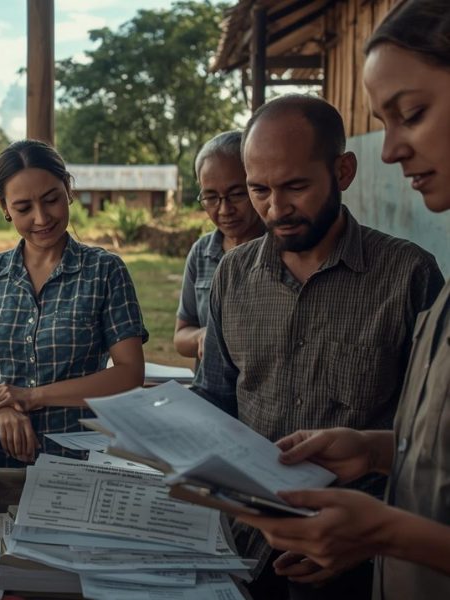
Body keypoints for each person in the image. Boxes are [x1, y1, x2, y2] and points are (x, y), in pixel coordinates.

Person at [235, 2, 450, 599]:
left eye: (413, 114)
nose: (392, 150)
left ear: (342, 172)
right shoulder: (233, 275)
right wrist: (378, 449)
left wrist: (381, 531)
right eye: (259, 189)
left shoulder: (410, 275)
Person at [0, 139, 148, 467]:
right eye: (23, 208)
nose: (42, 218)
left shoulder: (104, 271)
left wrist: (32, 396)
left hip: (79, 459)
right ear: (4, 207)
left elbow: (130, 373)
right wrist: (2, 407)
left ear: (68, 189)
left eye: (51, 200)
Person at [175, 131, 265, 361]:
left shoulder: (282, 250)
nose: (224, 210)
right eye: (211, 198)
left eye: (237, 194)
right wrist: (201, 336)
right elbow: (181, 335)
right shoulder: (202, 253)